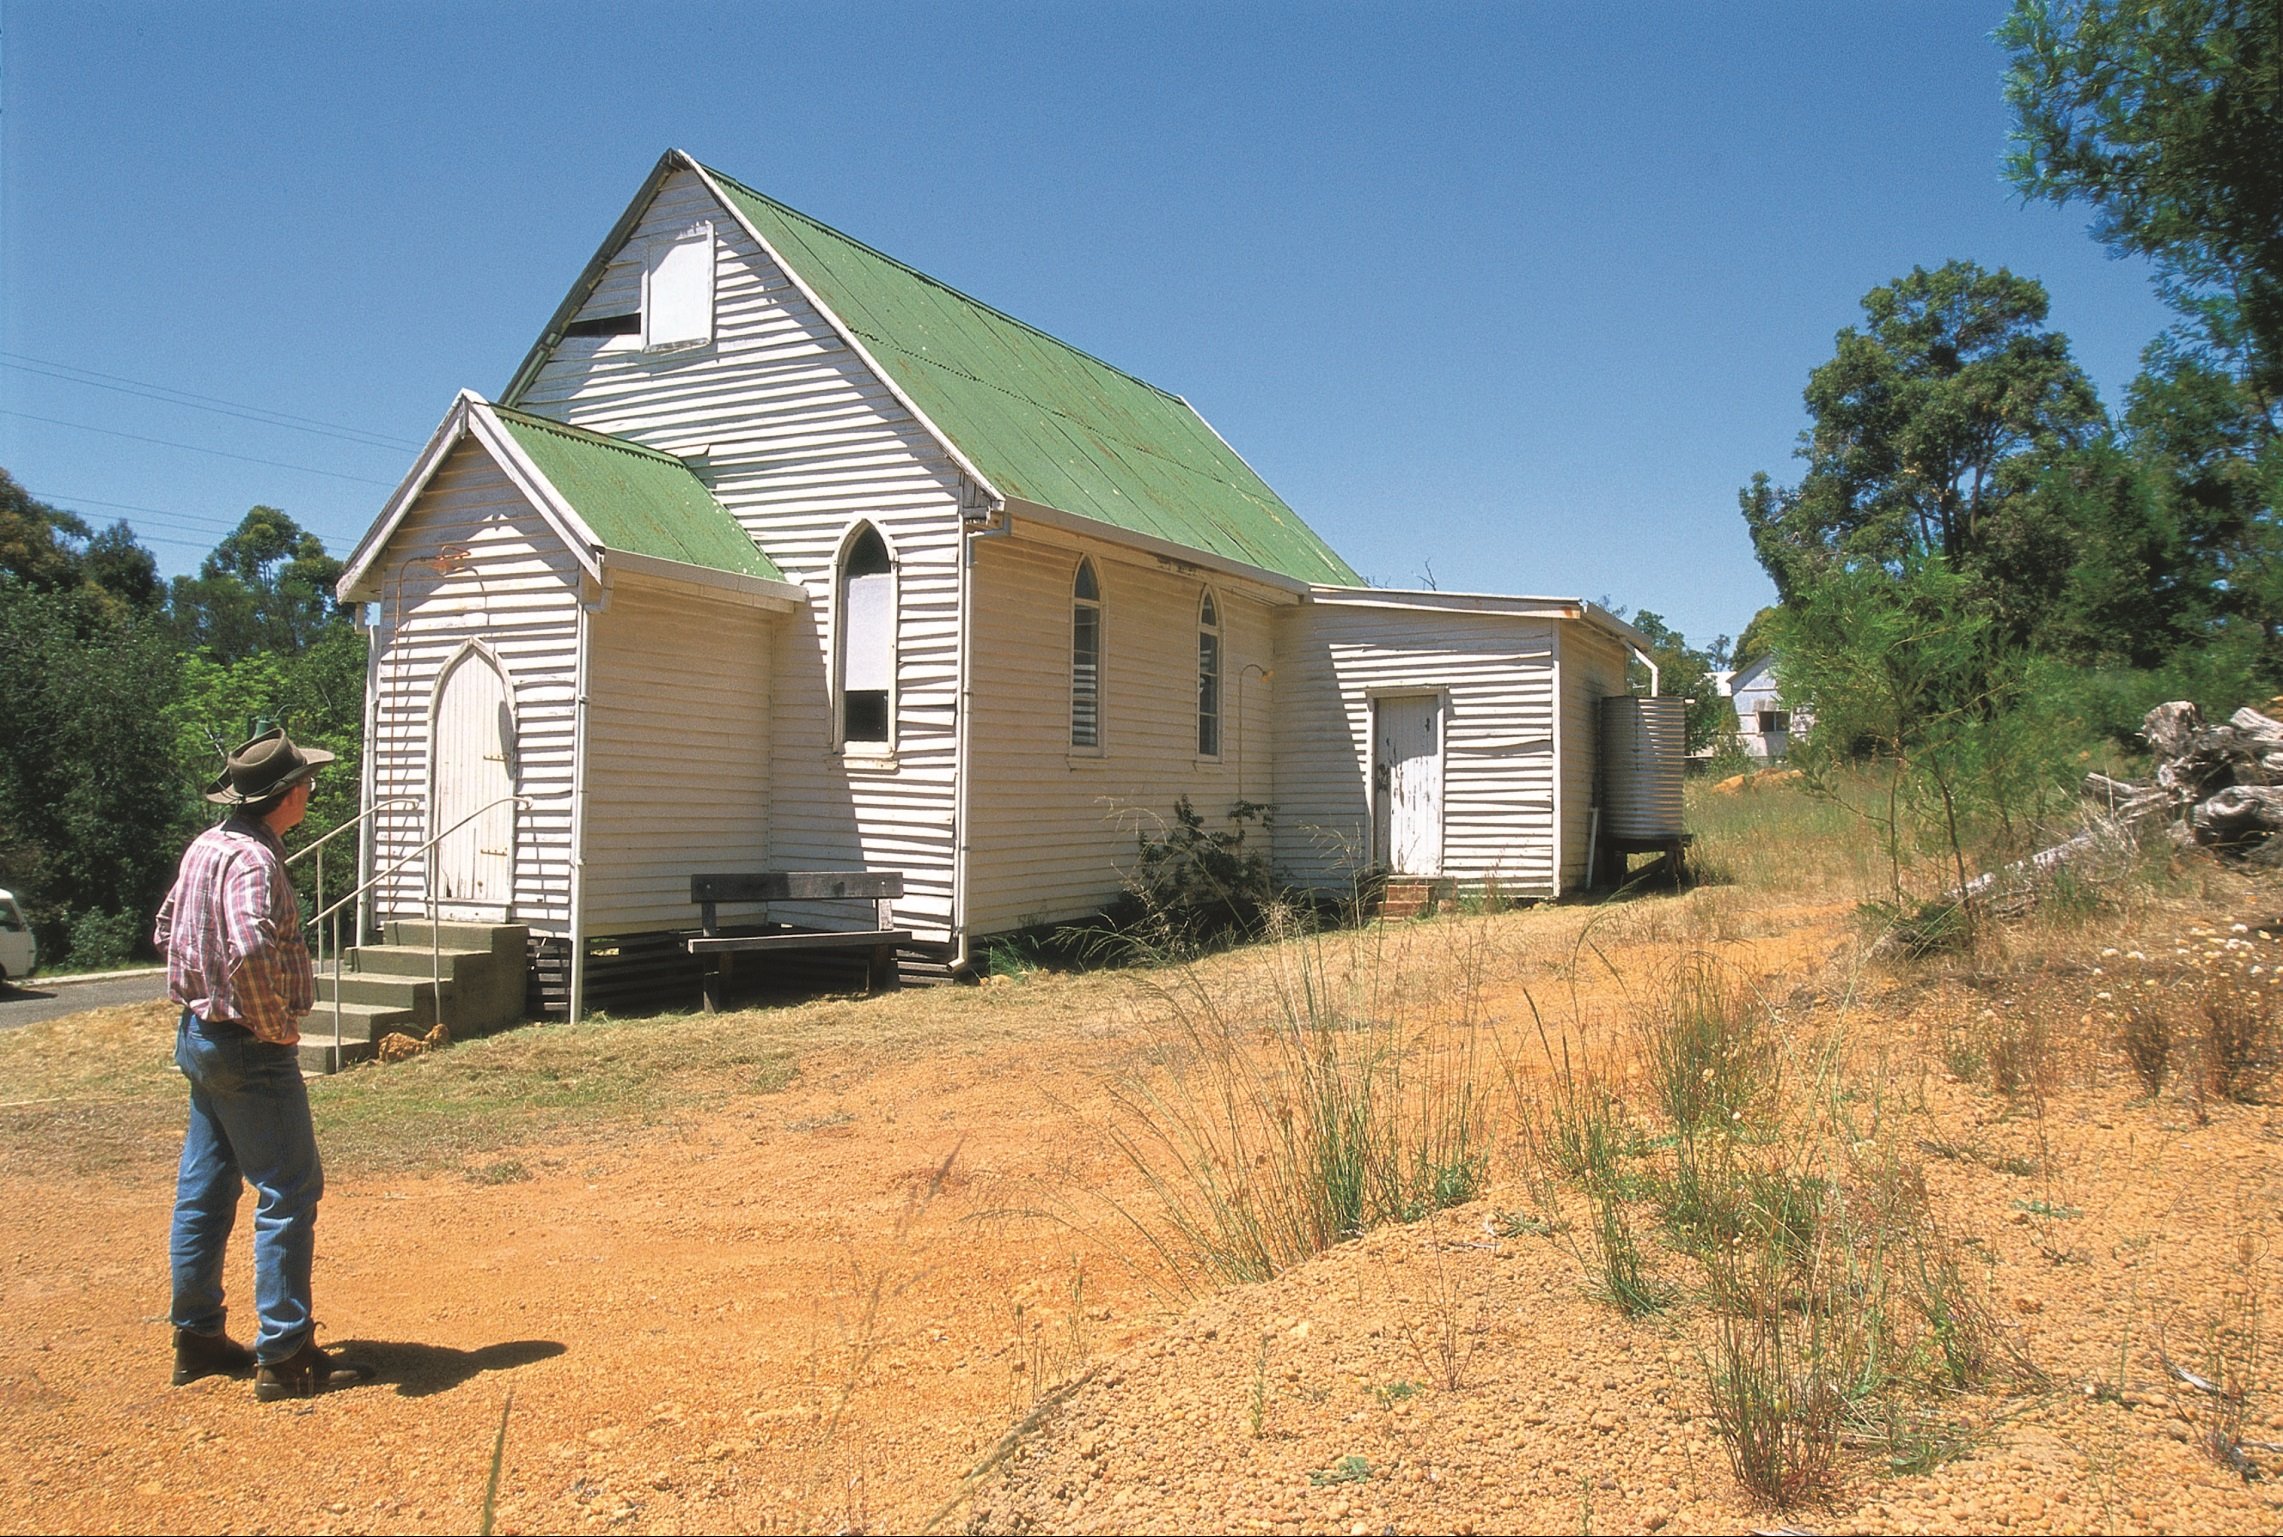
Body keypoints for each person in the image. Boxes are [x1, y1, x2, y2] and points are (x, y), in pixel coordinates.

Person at [156, 728, 372, 1400]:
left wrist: (202, 992)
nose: (312, 788)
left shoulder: (207, 846)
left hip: (200, 1037)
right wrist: (272, 1023)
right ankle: (284, 1353)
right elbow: (249, 949)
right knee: (289, 1190)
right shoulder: (254, 861)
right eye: (306, 781)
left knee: (208, 1187)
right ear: (286, 794)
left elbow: (167, 928)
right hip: (248, 1047)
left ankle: (196, 1337)